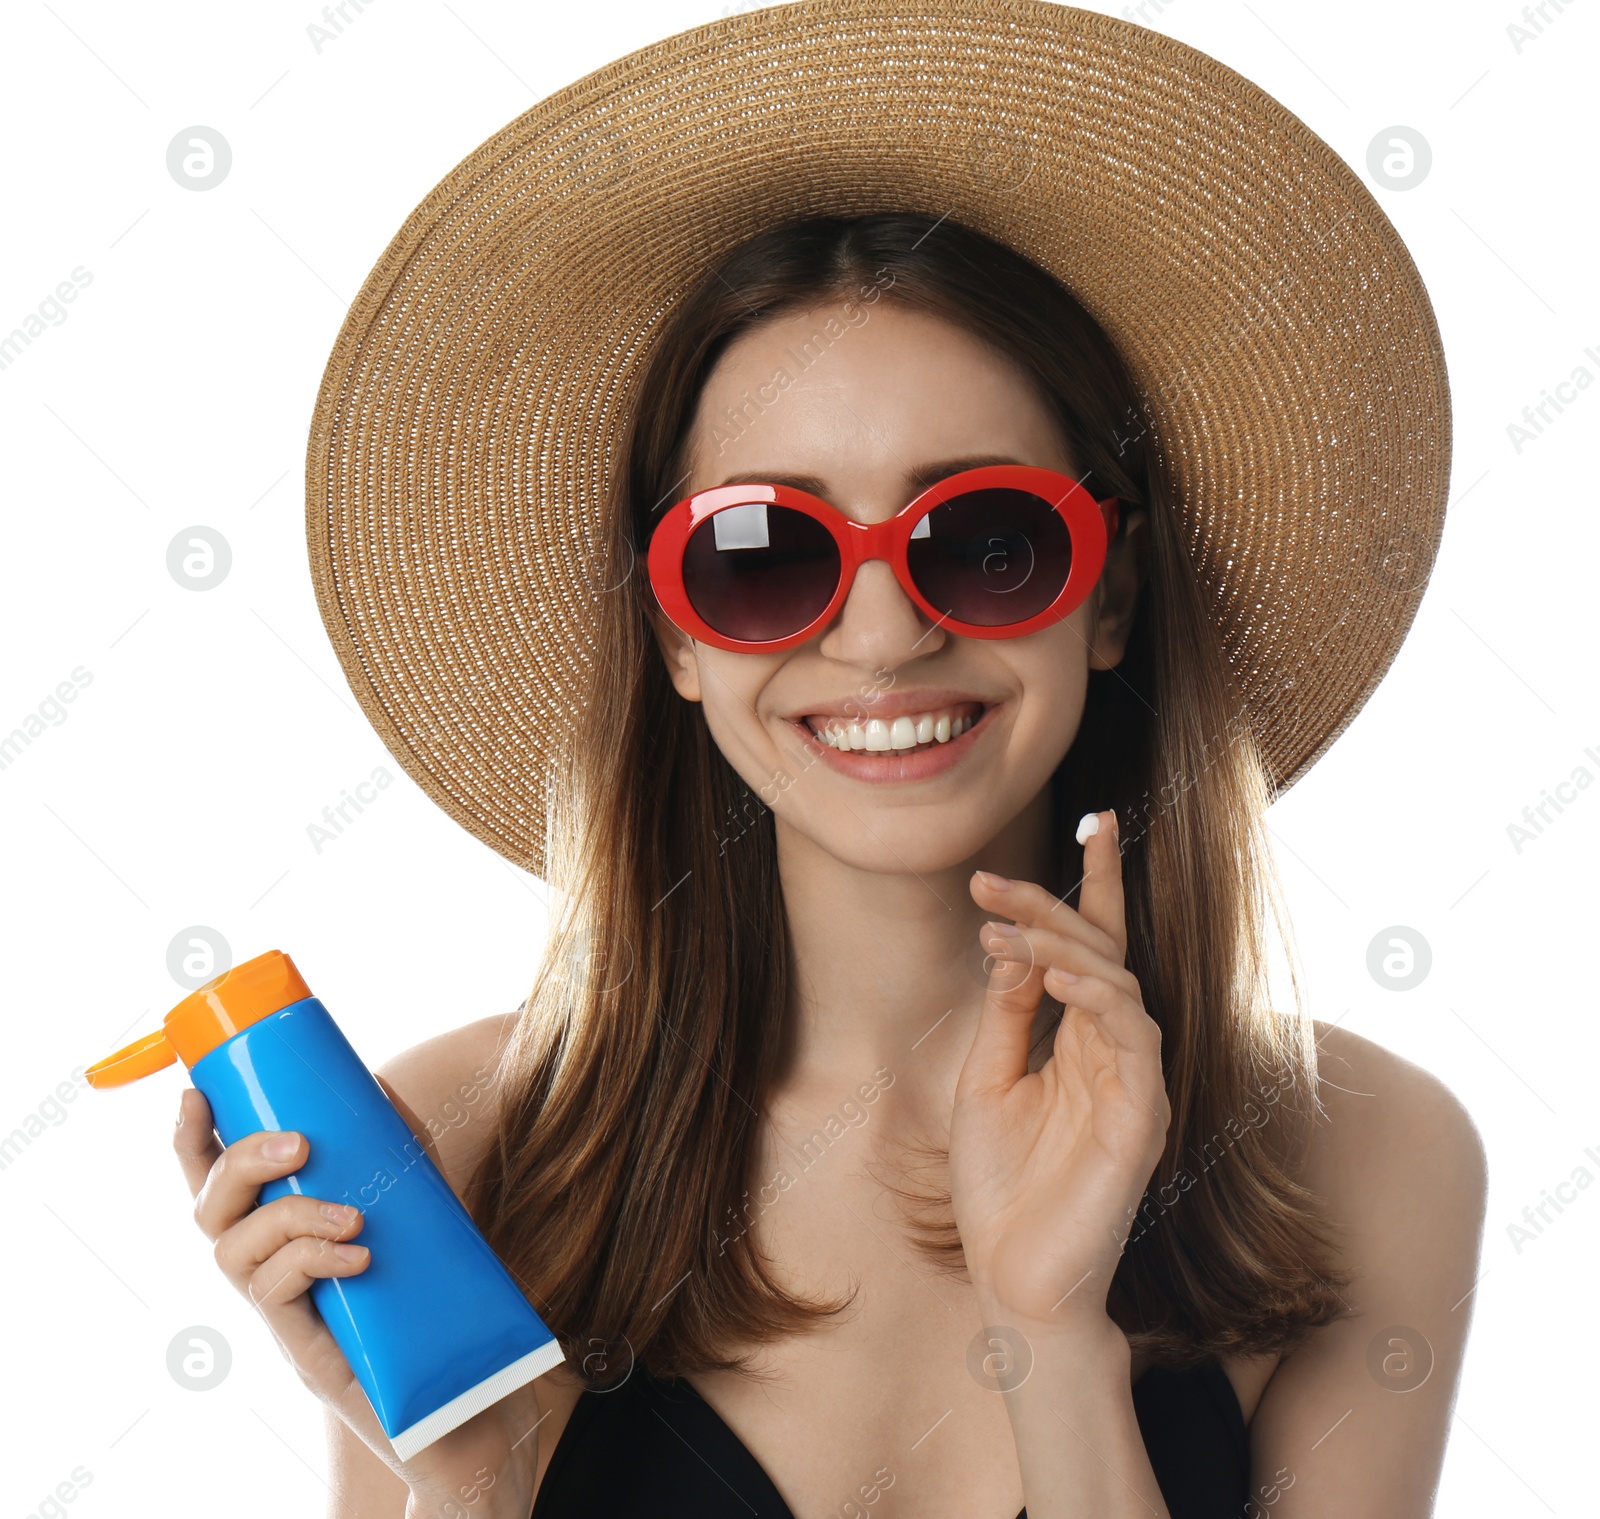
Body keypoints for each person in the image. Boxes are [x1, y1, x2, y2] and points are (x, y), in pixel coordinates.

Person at [174, 8, 1486, 1517]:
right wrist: (470, 1473)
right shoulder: (461, 1145)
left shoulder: (1363, 1160)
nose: (880, 636)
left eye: (987, 542)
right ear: (674, 632)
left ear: (1109, 590)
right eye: (760, 555)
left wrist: (1054, 1338)